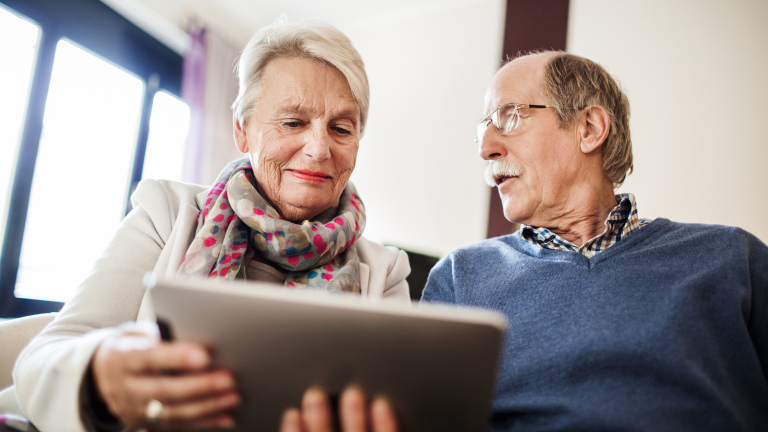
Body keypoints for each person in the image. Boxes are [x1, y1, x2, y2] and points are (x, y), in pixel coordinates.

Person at [10, 20, 409, 432]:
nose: (319, 148)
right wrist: (99, 381)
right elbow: (42, 359)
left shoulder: (385, 273)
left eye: (342, 128)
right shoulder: (165, 213)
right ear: (242, 129)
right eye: (292, 123)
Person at [422, 51, 768, 431]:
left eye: (509, 117)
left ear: (589, 128)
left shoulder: (734, 257)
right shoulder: (459, 276)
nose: (485, 147)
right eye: (484, 127)